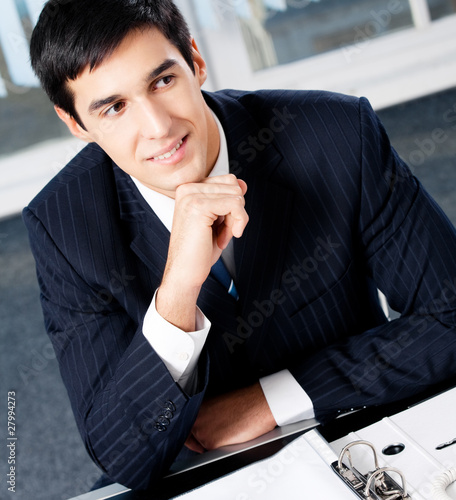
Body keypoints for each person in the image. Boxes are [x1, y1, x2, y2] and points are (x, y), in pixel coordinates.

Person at [24, 0, 456, 493]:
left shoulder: (337, 135)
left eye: (163, 81)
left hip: (357, 436)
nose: (159, 127)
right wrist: (177, 293)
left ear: (195, 60)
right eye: (115, 107)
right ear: (77, 123)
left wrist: (271, 400)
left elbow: (451, 315)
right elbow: (123, 454)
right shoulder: (64, 226)